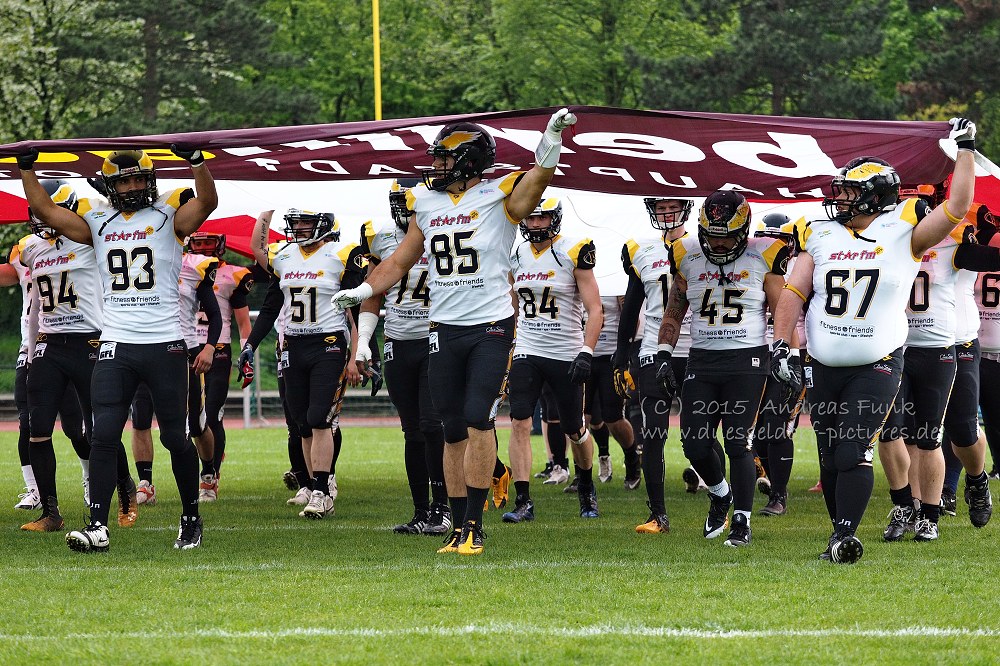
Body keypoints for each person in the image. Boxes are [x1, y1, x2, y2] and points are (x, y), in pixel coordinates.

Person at [333, 109, 578, 555]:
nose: (437, 166)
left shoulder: (498, 194)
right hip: (443, 327)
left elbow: (537, 182)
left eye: (445, 159)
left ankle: (474, 526)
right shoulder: (424, 203)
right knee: (450, 430)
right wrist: (364, 290)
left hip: (490, 326)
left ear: (468, 160)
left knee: (477, 418)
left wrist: (552, 138)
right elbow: (401, 261)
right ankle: (456, 523)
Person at [769, 118, 978, 563]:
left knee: (853, 446)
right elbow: (794, 291)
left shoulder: (905, 230)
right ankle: (836, 533)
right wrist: (781, 344)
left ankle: (847, 534)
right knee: (829, 457)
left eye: (847, 191)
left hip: (877, 362)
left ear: (873, 194)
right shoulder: (819, 232)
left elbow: (958, 205)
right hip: (824, 365)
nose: (838, 198)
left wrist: (965, 148)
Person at [19, 145, 218, 552]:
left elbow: (208, 201)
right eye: (123, 180)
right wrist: (27, 168)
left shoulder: (168, 216)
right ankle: (97, 525)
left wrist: (196, 162)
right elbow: (46, 210)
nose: (131, 186)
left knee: (175, 438)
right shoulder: (98, 220)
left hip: (164, 344)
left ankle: (191, 516)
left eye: (138, 178)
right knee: (104, 434)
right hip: (115, 342)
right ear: (110, 184)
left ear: (150, 181)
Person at [657, 190, 789, 548]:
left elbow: (781, 307)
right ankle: (720, 494)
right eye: (711, 235)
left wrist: (782, 350)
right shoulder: (685, 253)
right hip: (702, 358)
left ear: (743, 229)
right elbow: (676, 304)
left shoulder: (766, 253)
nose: (717, 243)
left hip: (748, 359)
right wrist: (664, 351)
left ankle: (742, 523)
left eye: (726, 235)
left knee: (736, 441)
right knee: (694, 442)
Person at [879, 193, 999, 541]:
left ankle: (976, 480)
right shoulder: (888, 240)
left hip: (955, 342)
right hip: (901, 345)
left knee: (961, 430)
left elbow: (989, 254)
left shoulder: (954, 237)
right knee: (910, 432)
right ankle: (915, 506)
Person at [250, 208, 365, 519]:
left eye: (306, 223)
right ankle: (315, 487)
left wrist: (363, 351)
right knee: (301, 422)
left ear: (324, 226)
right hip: (293, 344)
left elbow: (357, 306)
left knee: (319, 417)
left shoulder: (341, 254)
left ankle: (322, 491)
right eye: (296, 223)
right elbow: (272, 304)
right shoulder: (285, 255)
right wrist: (249, 344)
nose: (298, 228)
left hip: (328, 343)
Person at [354, 178, 452, 535]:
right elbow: (373, 290)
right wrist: (364, 340)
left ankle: (443, 509)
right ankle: (421, 511)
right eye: (400, 202)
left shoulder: (444, 227)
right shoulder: (379, 235)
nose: (404, 210)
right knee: (412, 431)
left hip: (435, 337)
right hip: (398, 339)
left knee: (431, 425)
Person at [502, 197, 602, 523]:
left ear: (554, 218)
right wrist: (510, 345)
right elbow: (513, 303)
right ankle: (523, 500)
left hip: (565, 351)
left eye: (541, 218)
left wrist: (587, 351)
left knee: (574, 428)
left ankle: (586, 486)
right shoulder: (516, 254)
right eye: (530, 219)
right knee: (519, 421)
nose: (534, 224)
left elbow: (595, 309)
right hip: (529, 350)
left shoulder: (573, 250)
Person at [613, 196, 696, 533]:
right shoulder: (639, 249)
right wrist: (620, 356)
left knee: (698, 436)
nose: (665, 213)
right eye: (659, 208)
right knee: (654, 433)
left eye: (670, 207)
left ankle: (720, 494)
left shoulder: (703, 244)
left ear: (685, 208)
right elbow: (631, 308)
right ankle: (657, 513)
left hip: (695, 348)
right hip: (651, 350)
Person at [752, 213, 807, 517]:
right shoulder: (757, 267)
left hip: (799, 355)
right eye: (766, 237)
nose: (772, 244)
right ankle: (772, 481)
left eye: (778, 239)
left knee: (777, 428)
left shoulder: (804, 268)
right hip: (763, 354)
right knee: (759, 432)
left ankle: (779, 495)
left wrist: (799, 362)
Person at [189, 232, 254, 483]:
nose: (204, 247)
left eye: (209, 242)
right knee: (190, 418)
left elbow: (243, 323)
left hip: (218, 350)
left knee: (213, 414)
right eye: (198, 242)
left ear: (220, 245)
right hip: (186, 348)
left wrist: (246, 354)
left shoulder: (232, 275)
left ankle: (210, 477)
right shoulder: (180, 268)